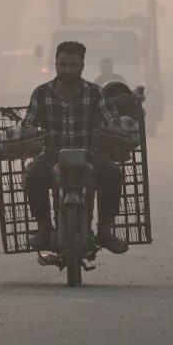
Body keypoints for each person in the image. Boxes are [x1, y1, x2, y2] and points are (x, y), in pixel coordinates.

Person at [21, 41, 128, 254]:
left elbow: (112, 118)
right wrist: (30, 130)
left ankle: (105, 232)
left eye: (72, 65)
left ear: (82, 66)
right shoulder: (41, 93)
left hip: (89, 153)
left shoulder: (95, 92)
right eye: (63, 64)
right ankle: (43, 229)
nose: (67, 69)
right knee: (32, 175)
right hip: (52, 154)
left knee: (114, 174)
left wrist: (114, 127)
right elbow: (28, 122)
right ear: (56, 64)